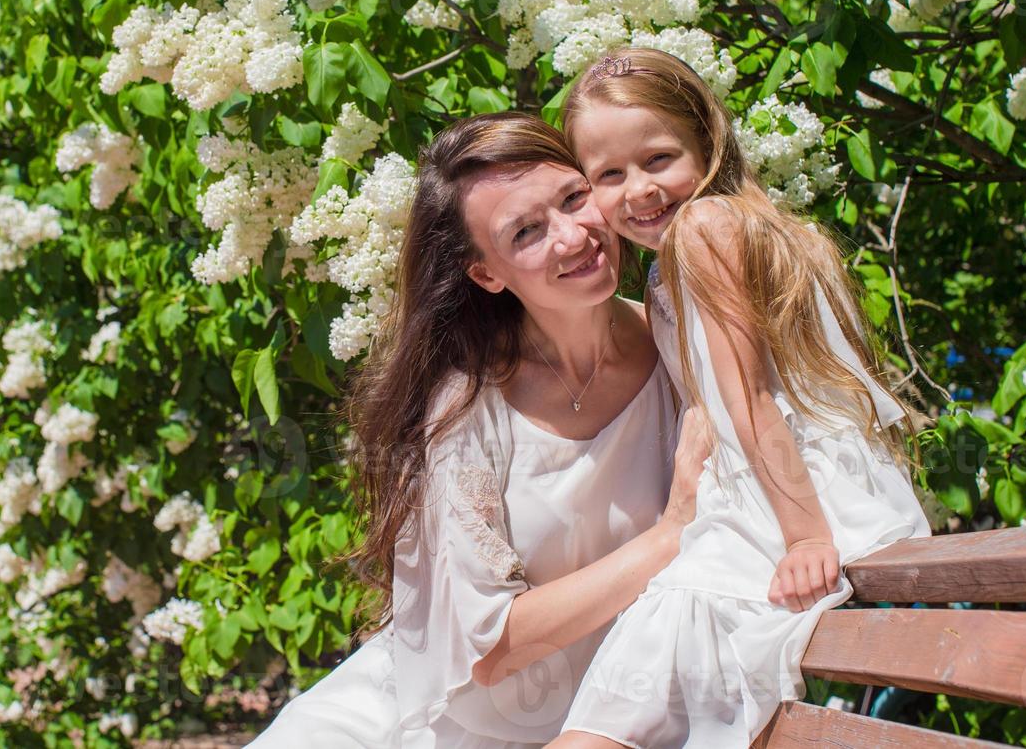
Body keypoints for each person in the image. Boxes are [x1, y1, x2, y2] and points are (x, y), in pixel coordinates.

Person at [250, 111, 709, 748]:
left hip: (608, 723)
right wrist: (667, 539)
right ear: (487, 273)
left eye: (574, 198)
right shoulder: (465, 408)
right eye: (526, 231)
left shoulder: (678, 342)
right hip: (430, 728)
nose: (574, 236)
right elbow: (485, 650)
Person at [550, 48, 931, 748]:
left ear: (707, 141)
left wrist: (808, 535)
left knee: (611, 716)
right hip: (766, 505)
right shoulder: (680, 267)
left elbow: (753, 399)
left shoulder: (706, 231)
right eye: (609, 175)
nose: (638, 190)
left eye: (659, 158)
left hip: (792, 506)